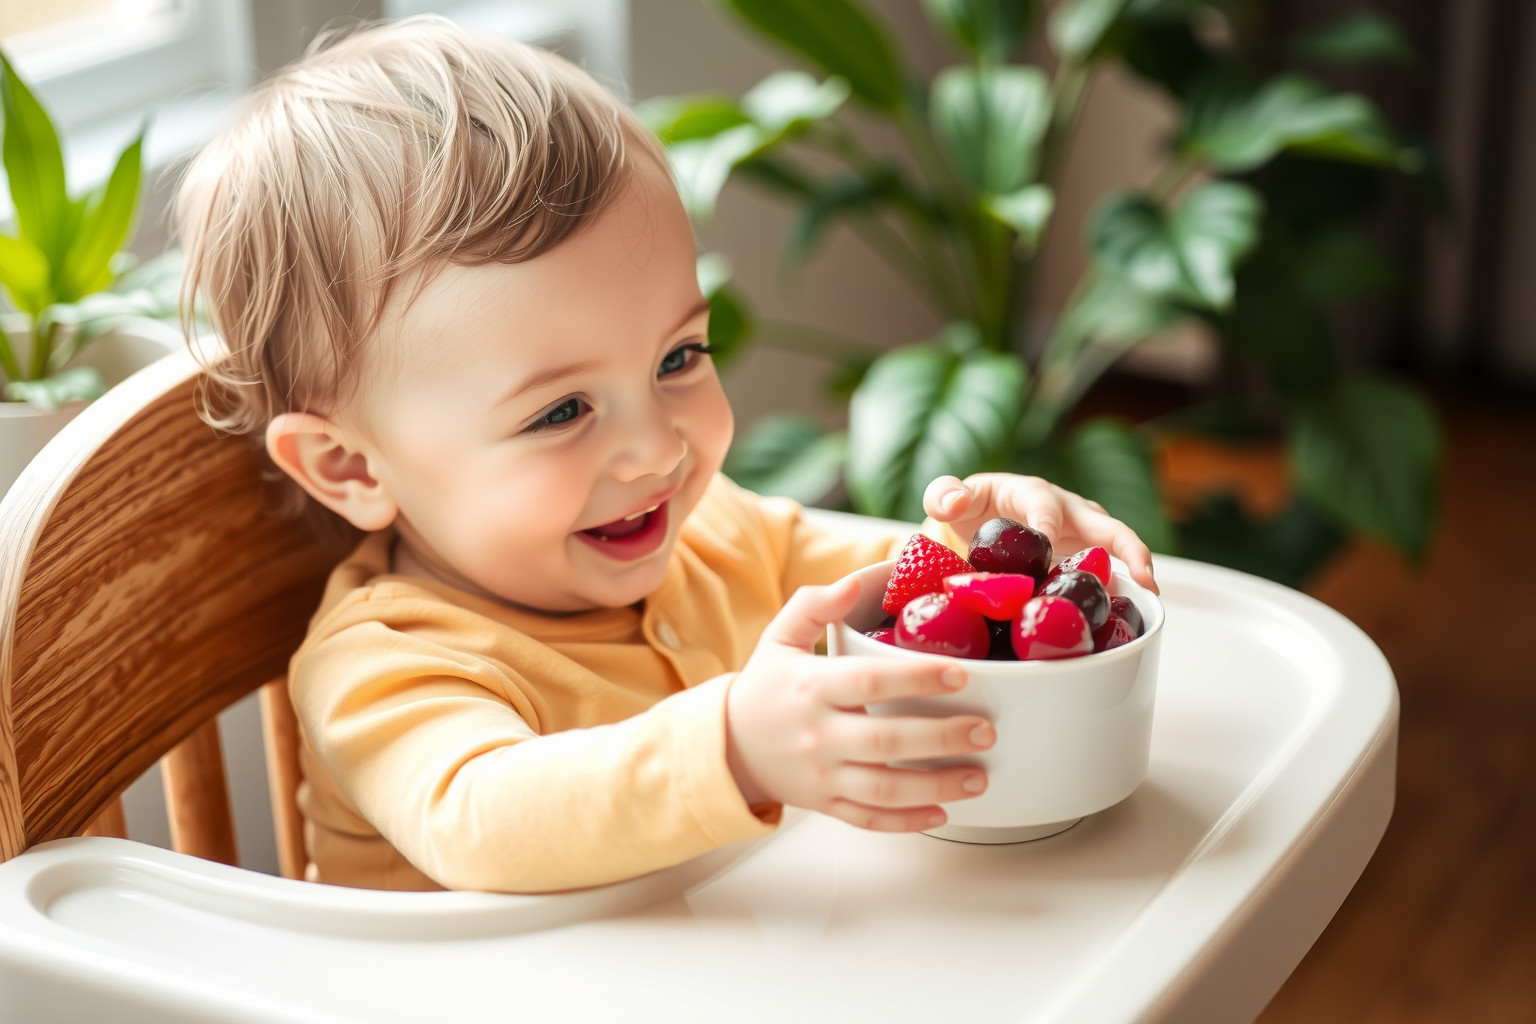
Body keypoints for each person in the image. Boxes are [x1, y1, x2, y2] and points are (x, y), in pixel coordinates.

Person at [176, 18, 1157, 893]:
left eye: (679, 357)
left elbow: (890, 594)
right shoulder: (387, 663)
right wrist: (732, 750)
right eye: (562, 410)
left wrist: (999, 554)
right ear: (350, 467)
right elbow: (480, 819)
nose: (657, 449)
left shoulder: (712, 529)